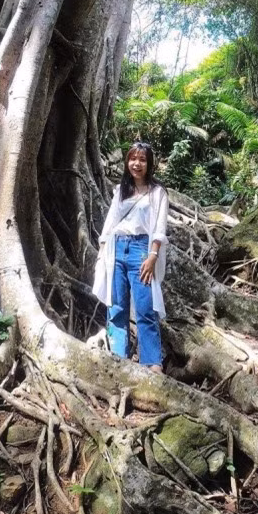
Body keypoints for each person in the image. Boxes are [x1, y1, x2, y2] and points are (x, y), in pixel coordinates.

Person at [92, 142, 169, 371]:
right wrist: (103, 251)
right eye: (133, 159)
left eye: (142, 159)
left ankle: (152, 362)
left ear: (149, 163)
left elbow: (159, 227)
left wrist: (152, 255)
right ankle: (119, 359)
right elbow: (110, 223)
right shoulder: (120, 191)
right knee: (116, 308)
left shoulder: (157, 193)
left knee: (146, 308)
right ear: (127, 162)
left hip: (141, 251)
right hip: (117, 250)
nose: (137, 164)